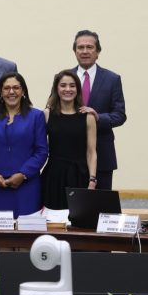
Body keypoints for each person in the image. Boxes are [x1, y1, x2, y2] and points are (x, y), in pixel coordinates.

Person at [0, 72, 47, 217]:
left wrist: (23, 174)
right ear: (0, 92)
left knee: (26, 233)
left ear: (23, 91)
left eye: (16, 88)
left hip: (27, 185)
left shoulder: (36, 116)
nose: (11, 92)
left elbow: (41, 152)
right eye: (7, 88)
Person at [71, 29, 126, 190]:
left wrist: (97, 117)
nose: (85, 51)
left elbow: (120, 115)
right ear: (75, 51)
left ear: (98, 52)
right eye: (80, 48)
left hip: (102, 154)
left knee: (100, 208)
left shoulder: (112, 79)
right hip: (70, 155)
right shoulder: (63, 78)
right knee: (70, 209)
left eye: (90, 47)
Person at [41, 70, 97, 210]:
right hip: (53, 176)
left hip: (80, 175)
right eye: (63, 85)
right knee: (52, 220)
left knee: (78, 220)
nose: (68, 89)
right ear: (56, 89)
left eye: (72, 86)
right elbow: (39, 148)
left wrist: (92, 180)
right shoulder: (47, 114)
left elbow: (91, 152)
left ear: (77, 89)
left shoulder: (88, 117)